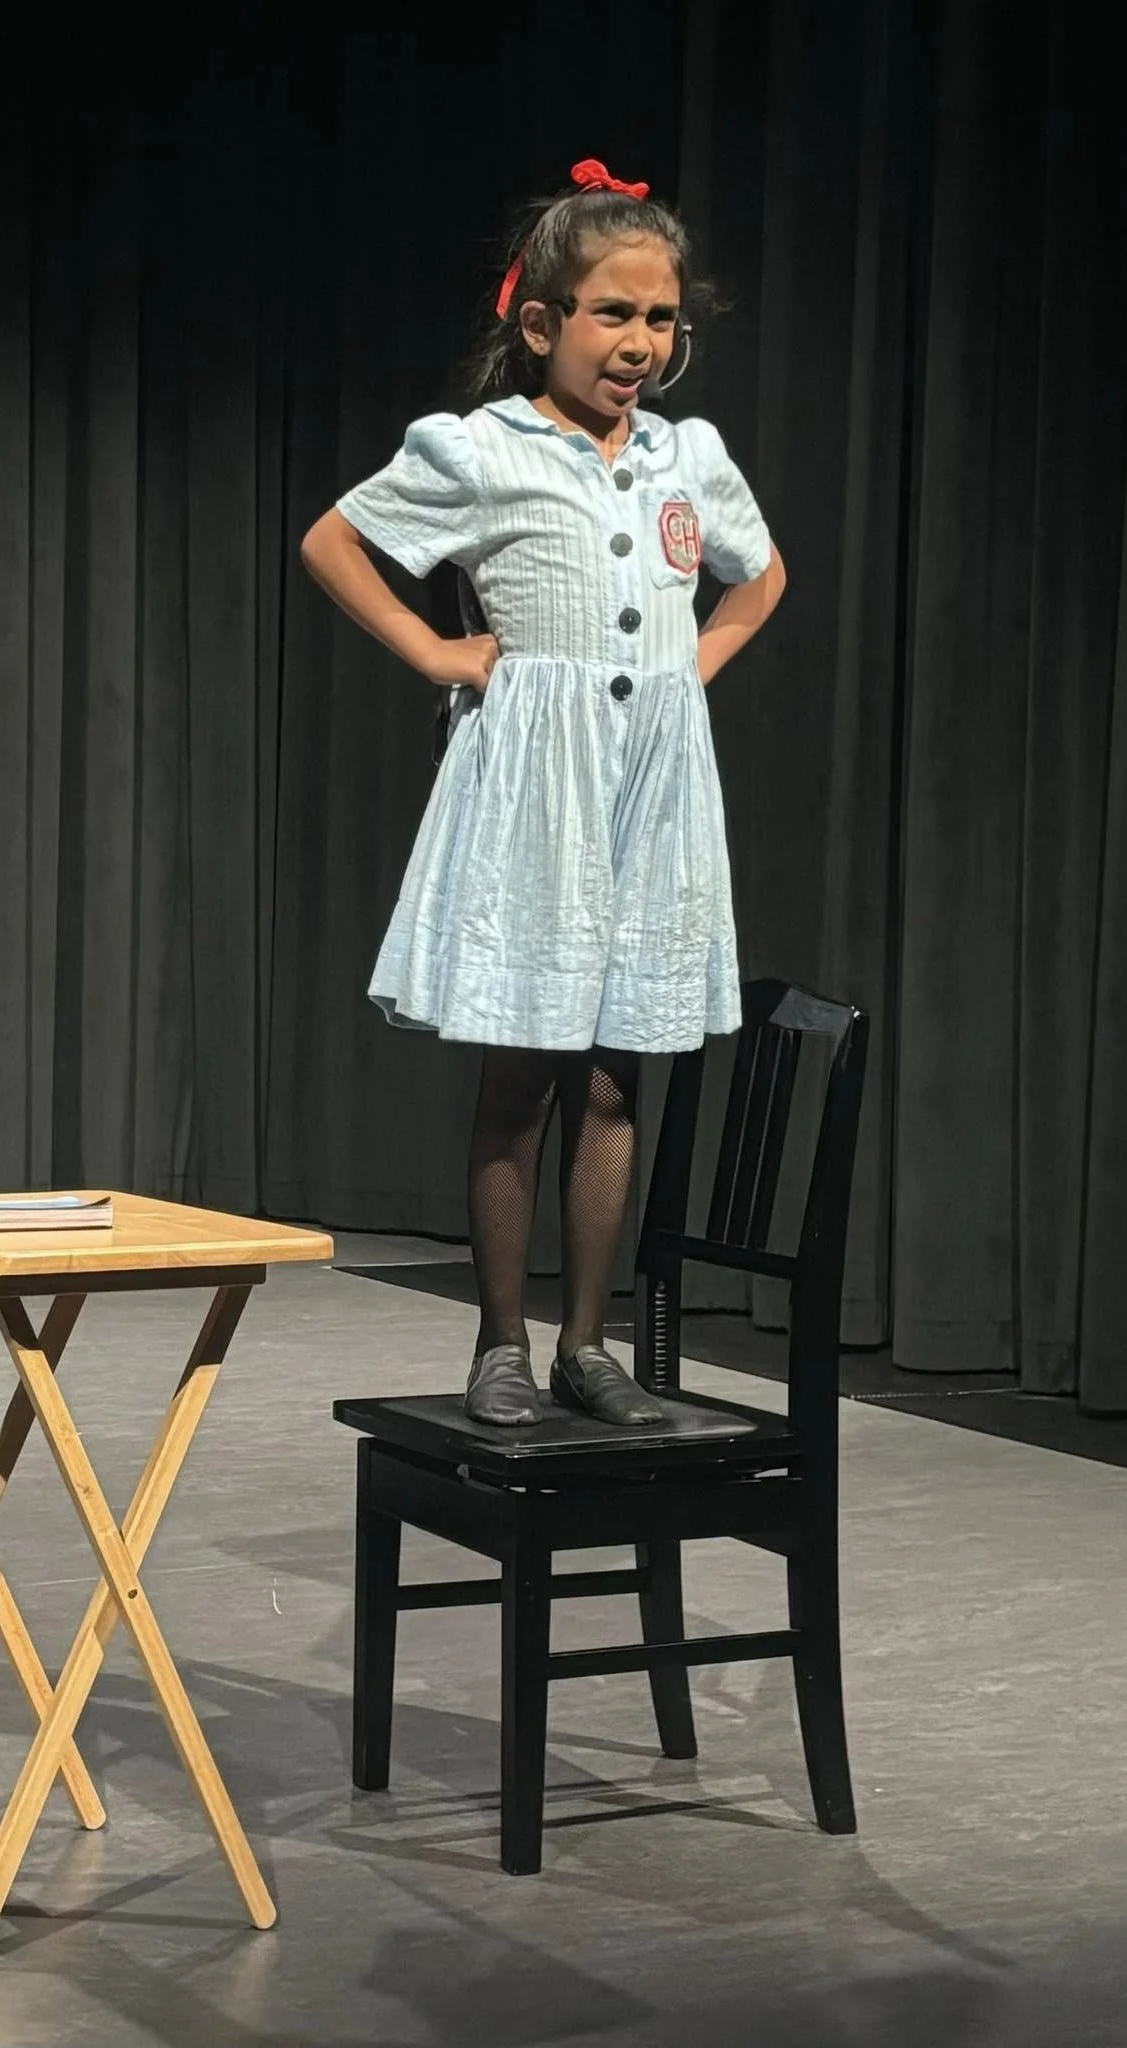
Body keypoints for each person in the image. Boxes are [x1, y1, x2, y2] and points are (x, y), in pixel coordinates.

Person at [301, 158, 786, 1429]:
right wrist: (438, 651)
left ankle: (587, 1344)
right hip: (539, 784)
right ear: (542, 323)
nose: (638, 343)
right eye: (611, 314)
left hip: (649, 787)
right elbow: (335, 541)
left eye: (660, 318)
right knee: (522, 1070)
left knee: (616, 1076)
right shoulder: (482, 450)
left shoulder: (689, 457)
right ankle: (500, 1341)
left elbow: (759, 575)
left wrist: (693, 668)